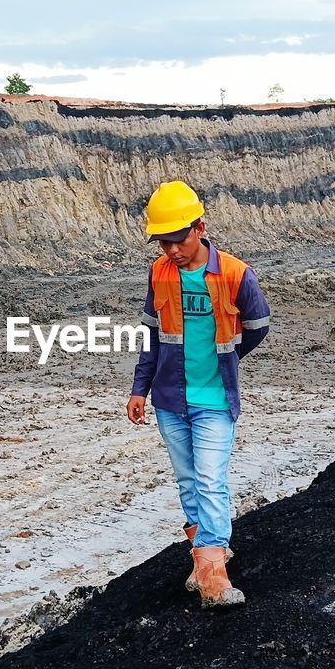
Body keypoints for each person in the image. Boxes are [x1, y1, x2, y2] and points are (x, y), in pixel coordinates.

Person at [126, 180, 271, 607]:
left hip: (214, 402)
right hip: (170, 400)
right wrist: (140, 389)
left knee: (210, 480)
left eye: (178, 239)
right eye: (163, 241)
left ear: (200, 227)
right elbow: (151, 337)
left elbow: (258, 327)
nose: (171, 250)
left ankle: (214, 575)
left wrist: (225, 361)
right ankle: (202, 555)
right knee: (189, 481)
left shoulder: (235, 273)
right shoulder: (159, 273)